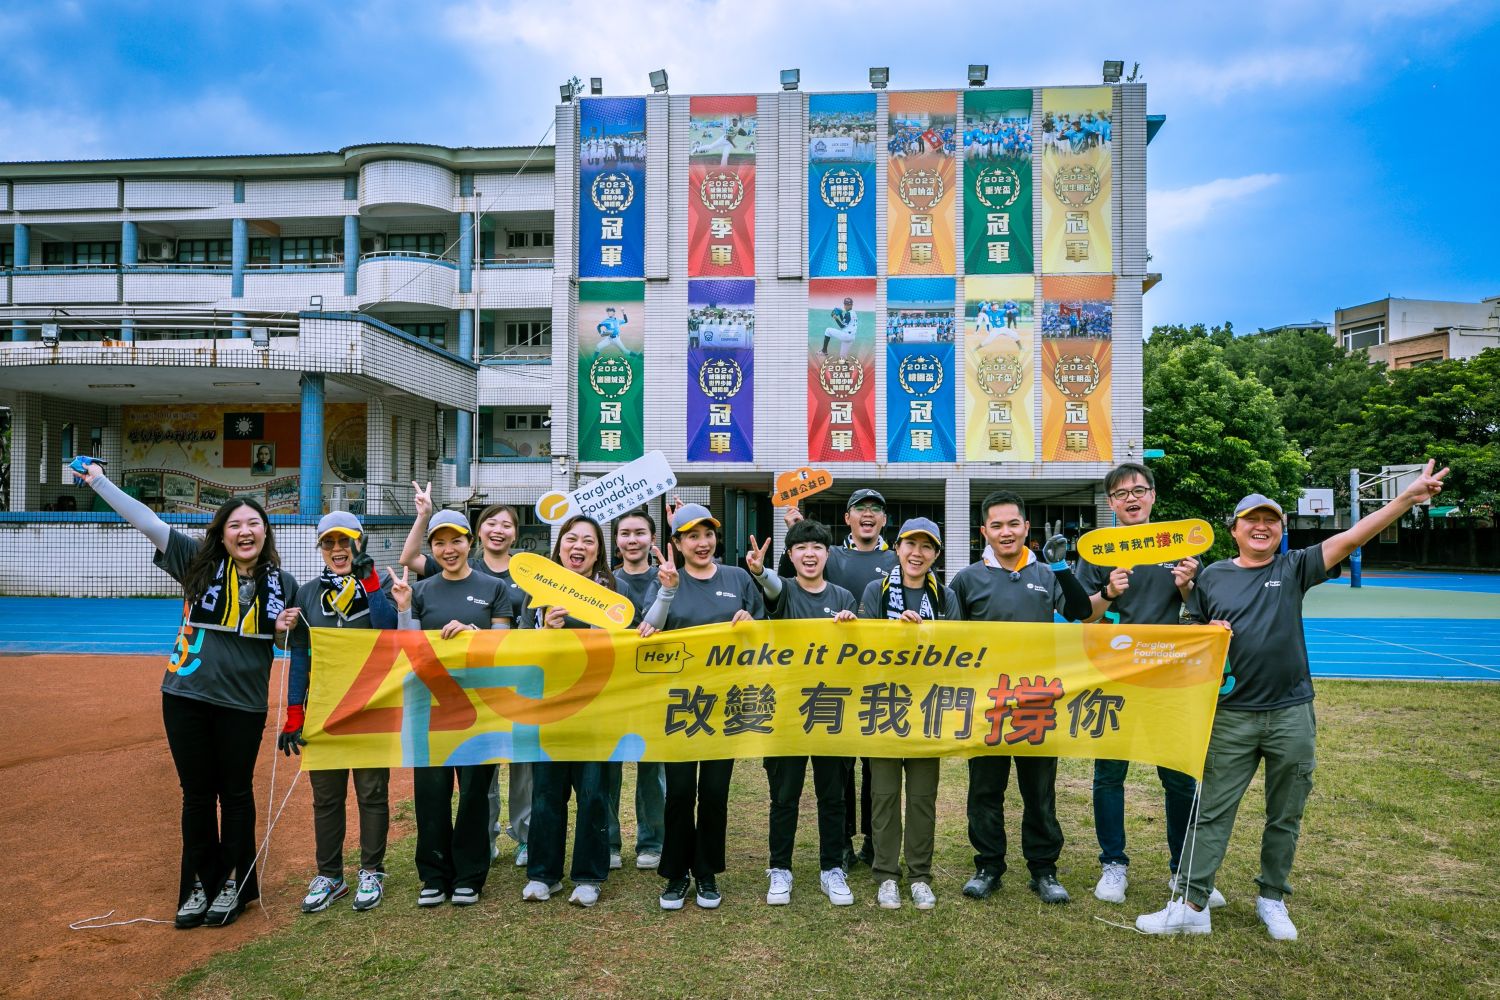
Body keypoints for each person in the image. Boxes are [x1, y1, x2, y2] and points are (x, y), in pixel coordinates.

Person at [1137, 461, 1449, 940]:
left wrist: (1405, 498)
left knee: (1285, 813)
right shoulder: (1213, 577)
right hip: (1231, 715)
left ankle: (1272, 898)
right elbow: (1192, 634)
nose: (1261, 527)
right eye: (1252, 520)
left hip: (1290, 712)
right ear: (1234, 530)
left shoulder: (1294, 567)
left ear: (1281, 531)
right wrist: (1207, 629)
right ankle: (1191, 904)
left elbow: (1353, 536)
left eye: (1271, 520)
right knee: (1211, 811)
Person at [75, 458, 299, 929]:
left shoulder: (283, 584)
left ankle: (234, 884)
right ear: (222, 534)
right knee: (197, 795)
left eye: (253, 524)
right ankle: (199, 884)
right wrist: (99, 482)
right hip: (185, 697)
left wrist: (282, 629)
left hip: (243, 704)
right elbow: (147, 522)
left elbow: (282, 643)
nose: (244, 531)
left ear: (266, 531)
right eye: (234, 525)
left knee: (235, 794)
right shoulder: (197, 562)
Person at [950, 490, 1092, 905]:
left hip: (1037, 700)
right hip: (988, 702)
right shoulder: (967, 579)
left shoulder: (1047, 573)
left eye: (1013, 523)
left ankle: (1043, 870)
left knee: (1039, 791)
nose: (1006, 532)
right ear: (984, 532)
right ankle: (988, 866)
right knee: (984, 791)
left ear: (1026, 527)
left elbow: (1082, 611)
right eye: (996, 525)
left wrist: (1062, 566)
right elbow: (951, 639)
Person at [1077, 463, 1205, 906]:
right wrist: (1108, 593)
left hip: (1171, 679)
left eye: (1138, 490)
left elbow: (1204, 614)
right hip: (1115, 678)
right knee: (1110, 774)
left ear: (1153, 496)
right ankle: (1113, 864)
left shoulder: (1182, 546)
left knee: (1179, 776)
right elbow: (1083, 615)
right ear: (1110, 503)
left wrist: (1187, 588)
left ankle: (1183, 869)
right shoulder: (1098, 551)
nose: (1131, 498)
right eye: (1121, 493)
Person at [399, 485, 533, 869]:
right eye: (492, 522)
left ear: (515, 534)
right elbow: (409, 560)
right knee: (480, 772)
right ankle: (483, 838)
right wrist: (423, 514)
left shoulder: (523, 574)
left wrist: (482, 636)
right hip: (451, 695)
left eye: (507, 525)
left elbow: (517, 629)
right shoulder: (444, 570)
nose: (499, 530)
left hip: (507, 681)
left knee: (522, 766)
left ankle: (525, 837)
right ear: (478, 532)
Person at [640, 503, 765, 910]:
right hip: (679, 705)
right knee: (678, 793)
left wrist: (751, 625)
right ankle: (676, 874)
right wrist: (667, 590)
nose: (702, 543)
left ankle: (706, 872)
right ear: (677, 543)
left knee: (714, 792)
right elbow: (648, 630)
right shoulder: (666, 579)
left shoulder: (737, 578)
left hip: (725, 704)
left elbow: (764, 633)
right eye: (692, 536)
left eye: (707, 534)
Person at [279, 512, 396, 913]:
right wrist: (295, 712)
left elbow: (387, 630)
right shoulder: (307, 593)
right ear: (321, 549)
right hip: (325, 709)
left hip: (371, 706)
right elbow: (300, 655)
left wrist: (371, 583)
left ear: (360, 543)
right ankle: (330, 875)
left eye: (345, 541)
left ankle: (372, 870)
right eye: (328, 543)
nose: (338, 549)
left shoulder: (379, 585)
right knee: (326, 797)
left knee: (372, 792)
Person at [394, 510, 510, 908]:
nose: (449, 549)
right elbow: (410, 651)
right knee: (432, 792)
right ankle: (434, 875)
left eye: (456, 540)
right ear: (432, 548)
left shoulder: (494, 587)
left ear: (469, 543)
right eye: (440, 543)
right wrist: (404, 609)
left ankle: (470, 876)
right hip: (430, 708)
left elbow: (503, 646)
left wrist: (474, 634)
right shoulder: (422, 590)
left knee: (475, 793)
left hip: (480, 708)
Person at [784, 488, 899, 871]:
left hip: (880, 677)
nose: (868, 514)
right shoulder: (831, 555)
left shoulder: (895, 558)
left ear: (884, 520)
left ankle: (874, 840)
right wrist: (799, 531)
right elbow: (800, 577)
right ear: (847, 518)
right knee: (842, 769)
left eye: (875, 509)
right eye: (859, 508)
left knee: (875, 767)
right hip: (834, 680)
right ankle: (844, 842)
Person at [745, 519, 859, 907]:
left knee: (833, 796)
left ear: (828, 554)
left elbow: (856, 655)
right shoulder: (784, 590)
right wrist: (760, 572)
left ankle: (832, 868)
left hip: (830, 709)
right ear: (791, 556)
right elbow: (772, 587)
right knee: (784, 796)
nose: (809, 554)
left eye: (817, 548)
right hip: (786, 710)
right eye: (801, 548)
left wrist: (850, 628)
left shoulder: (844, 597)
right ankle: (780, 868)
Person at [522, 515, 626, 907]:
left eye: (588, 541)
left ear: (598, 552)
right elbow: (520, 650)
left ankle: (588, 876)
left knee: (593, 792)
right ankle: (543, 875)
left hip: (595, 707)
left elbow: (623, 649)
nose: (578, 546)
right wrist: (545, 632)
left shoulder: (611, 595)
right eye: (571, 539)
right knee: (546, 792)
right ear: (560, 546)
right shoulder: (537, 592)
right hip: (549, 706)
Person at [857, 518, 961, 911]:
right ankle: (886, 874)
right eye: (910, 545)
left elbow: (958, 650)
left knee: (922, 798)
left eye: (926, 546)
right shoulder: (877, 590)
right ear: (897, 548)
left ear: (936, 554)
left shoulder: (944, 596)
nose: (917, 553)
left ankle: (919, 876)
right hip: (883, 705)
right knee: (883, 796)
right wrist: (894, 633)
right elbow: (861, 646)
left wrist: (926, 635)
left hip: (927, 708)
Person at [608, 508, 667, 871]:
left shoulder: (667, 579)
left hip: (654, 687)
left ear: (652, 539)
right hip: (612, 688)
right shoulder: (604, 582)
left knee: (652, 768)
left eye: (640, 533)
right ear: (616, 540)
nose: (633, 540)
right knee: (608, 768)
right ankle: (609, 842)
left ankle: (652, 842)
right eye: (625, 533)